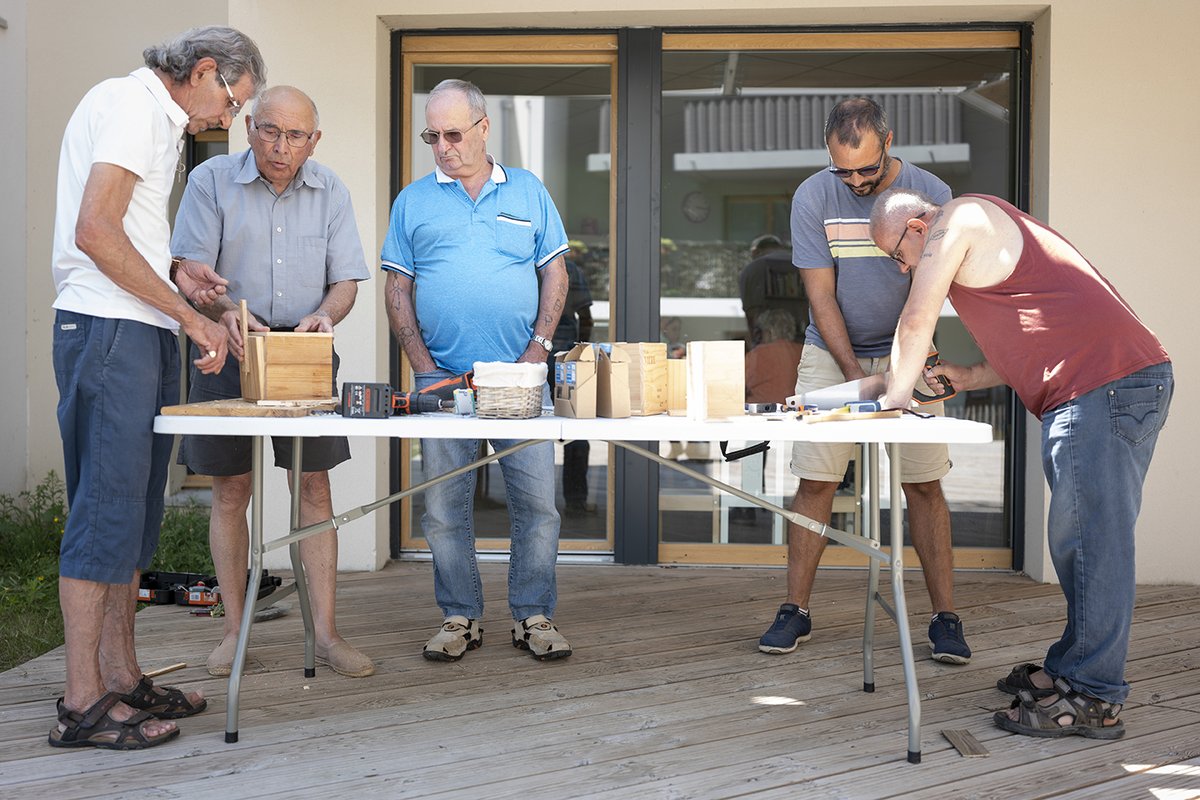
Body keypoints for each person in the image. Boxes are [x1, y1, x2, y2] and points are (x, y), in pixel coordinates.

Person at [870, 188, 1173, 741]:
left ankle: (1096, 697)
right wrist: (967, 377)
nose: (902, 268)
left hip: (1103, 387)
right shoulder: (983, 229)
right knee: (1079, 541)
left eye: (896, 255)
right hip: (1106, 384)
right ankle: (1070, 668)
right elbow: (1039, 335)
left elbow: (916, 321)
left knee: (1093, 544)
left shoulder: (955, 220)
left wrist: (890, 402)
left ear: (917, 227)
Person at [49, 26, 265, 750]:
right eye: (232, 103)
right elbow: (95, 230)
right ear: (203, 71)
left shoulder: (152, 116)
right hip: (109, 330)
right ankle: (83, 701)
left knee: (135, 516)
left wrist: (179, 275)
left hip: (133, 327)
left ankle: (121, 676)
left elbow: (126, 235)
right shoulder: (137, 107)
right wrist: (189, 319)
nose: (226, 122)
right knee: (104, 514)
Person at [758, 97, 971, 665]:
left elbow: (930, 291)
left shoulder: (935, 194)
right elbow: (820, 294)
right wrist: (857, 378)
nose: (853, 179)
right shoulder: (812, 196)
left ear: (889, 142)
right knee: (816, 479)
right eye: (842, 169)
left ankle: (945, 617)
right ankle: (795, 609)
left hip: (911, 343)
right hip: (832, 352)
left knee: (924, 484)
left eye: (866, 170)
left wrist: (899, 372)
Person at [171, 86, 374, 679]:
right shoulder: (211, 180)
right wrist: (224, 313)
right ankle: (235, 632)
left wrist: (326, 317)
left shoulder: (331, 187)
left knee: (313, 487)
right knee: (231, 491)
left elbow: (347, 282)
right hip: (227, 345)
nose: (279, 147)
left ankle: (329, 636)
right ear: (249, 127)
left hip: (303, 353)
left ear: (315, 140)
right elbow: (188, 274)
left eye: (295, 136)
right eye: (267, 131)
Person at [381, 79, 572, 662]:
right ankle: (460, 617)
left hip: (520, 380)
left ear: (484, 128)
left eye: (454, 134)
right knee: (443, 508)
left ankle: (533, 615)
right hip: (440, 381)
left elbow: (555, 274)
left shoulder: (530, 191)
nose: (442, 146)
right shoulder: (413, 201)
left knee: (537, 504)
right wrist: (423, 368)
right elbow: (397, 287)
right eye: (431, 136)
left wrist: (537, 352)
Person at [552, 251, 595, 514]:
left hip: (528, 360)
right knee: (577, 430)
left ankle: (533, 503)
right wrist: (580, 351)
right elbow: (587, 317)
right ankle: (576, 501)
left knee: (528, 432)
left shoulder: (521, 266)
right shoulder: (568, 268)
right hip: (567, 358)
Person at [738, 234, 808, 346]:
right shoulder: (802, 263)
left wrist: (754, 344)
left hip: (766, 342)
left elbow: (750, 312)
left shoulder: (752, 269)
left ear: (756, 252)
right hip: (803, 341)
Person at [745, 309, 804, 405]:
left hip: (759, 412)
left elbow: (737, 386)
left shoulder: (757, 354)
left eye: (762, 332)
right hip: (794, 410)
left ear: (770, 332)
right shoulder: (803, 351)